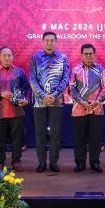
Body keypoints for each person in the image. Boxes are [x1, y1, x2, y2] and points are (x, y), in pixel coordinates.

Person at [29, 32, 70, 173]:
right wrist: (43, 95)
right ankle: (41, 162)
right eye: (46, 40)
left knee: (55, 133)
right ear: (42, 42)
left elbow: (65, 78)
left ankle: (53, 162)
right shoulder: (35, 57)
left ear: (56, 42)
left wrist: (54, 94)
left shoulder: (63, 58)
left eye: (52, 40)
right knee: (40, 133)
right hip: (39, 102)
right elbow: (32, 79)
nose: (49, 43)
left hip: (56, 101)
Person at [0, 46, 30, 172]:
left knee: (17, 138)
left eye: (9, 55)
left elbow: (27, 88)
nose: (7, 58)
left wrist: (26, 99)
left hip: (17, 110)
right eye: (4, 55)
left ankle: (16, 161)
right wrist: (0, 94)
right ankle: (0, 162)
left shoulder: (20, 72)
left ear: (13, 57)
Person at [69, 44, 105, 173]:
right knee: (79, 138)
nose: (88, 56)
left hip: (96, 109)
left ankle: (95, 163)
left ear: (94, 54)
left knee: (95, 139)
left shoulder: (101, 70)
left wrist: (97, 101)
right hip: (79, 109)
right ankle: (80, 163)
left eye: (90, 53)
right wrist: (81, 101)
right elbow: (72, 88)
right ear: (82, 55)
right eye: (86, 54)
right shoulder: (75, 70)